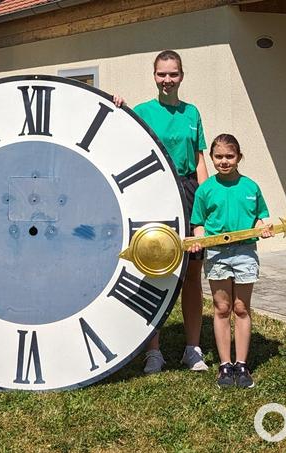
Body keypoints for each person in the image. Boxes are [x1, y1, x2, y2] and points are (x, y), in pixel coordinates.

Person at [114, 50, 210, 374]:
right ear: (154, 76)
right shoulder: (142, 111)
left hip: (188, 190)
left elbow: (199, 159)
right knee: (155, 270)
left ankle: (192, 349)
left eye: (173, 74)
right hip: (154, 194)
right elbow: (119, 134)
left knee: (193, 273)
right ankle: (153, 351)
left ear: (181, 76)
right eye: (161, 74)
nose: (167, 80)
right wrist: (117, 106)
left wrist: (206, 200)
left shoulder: (192, 112)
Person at [188, 133, 274, 389]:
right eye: (218, 157)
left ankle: (242, 364)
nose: (224, 161)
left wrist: (262, 228)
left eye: (229, 156)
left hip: (245, 252)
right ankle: (225, 365)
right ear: (212, 158)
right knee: (222, 308)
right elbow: (198, 224)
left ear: (239, 157)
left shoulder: (251, 187)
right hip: (217, 254)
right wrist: (199, 239)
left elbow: (260, 218)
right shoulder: (205, 189)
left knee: (241, 308)